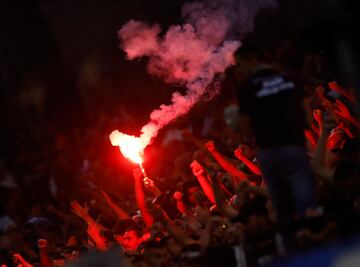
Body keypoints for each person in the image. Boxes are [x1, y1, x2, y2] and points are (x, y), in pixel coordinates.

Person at [236, 41, 317, 252]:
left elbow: (246, 131)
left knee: (282, 209)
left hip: (269, 152)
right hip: (296, 147)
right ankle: (319, 245)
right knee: (306, 201)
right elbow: (308, 117)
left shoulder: (247, 88)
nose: (238, 71)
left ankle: (295, 254)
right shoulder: (290, 78)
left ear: (251, 60)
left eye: (239, 65)